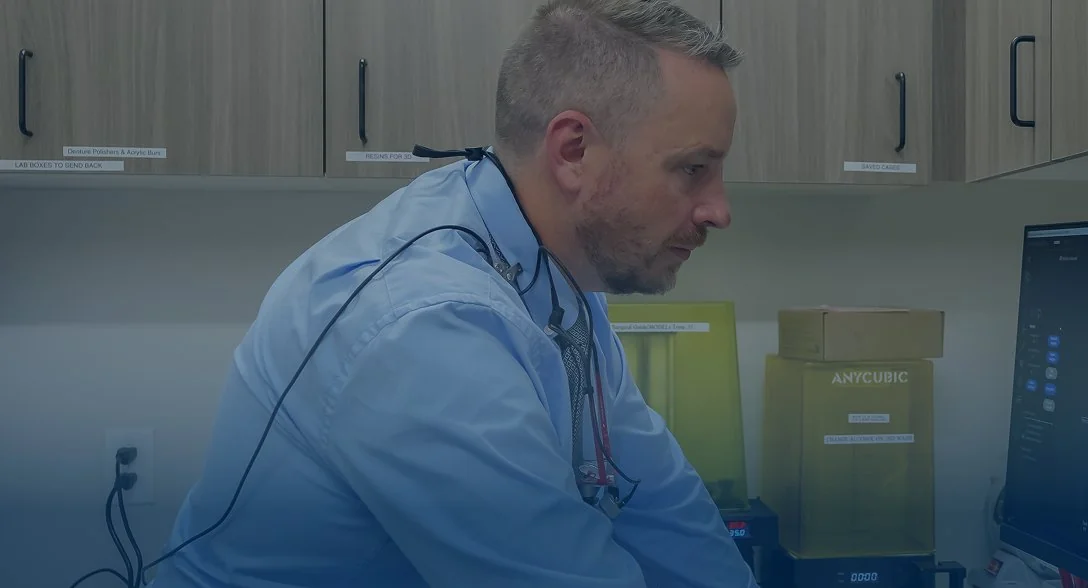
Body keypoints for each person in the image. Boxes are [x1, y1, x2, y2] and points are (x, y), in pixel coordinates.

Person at [147, 1, 752, 586]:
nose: (719, 211)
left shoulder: (554, 260)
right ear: (574, 151)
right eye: (693, 168)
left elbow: (654, 499)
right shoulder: (426, 324)